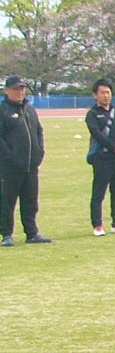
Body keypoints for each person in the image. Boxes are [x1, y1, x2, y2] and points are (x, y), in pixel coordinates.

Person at [0, 75, 50, 246]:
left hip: (31, 165)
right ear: (7, 91)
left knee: (30, 201)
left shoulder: (29, 109)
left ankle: (32, 233)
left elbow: (38, 132)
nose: (20, 92)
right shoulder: (3, 110)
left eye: (22, 88)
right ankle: (6, 234)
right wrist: (9, 157)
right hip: (10, 167)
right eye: (16, 89)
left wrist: (39, 152)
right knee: (7, 202)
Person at [85, 78, 115, 237]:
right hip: (102, 157)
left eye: (108, 92)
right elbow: (97, 134)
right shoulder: (92, 114)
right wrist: (113, 147)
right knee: (99, 192)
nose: (106, 95)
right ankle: (97, 225)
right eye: (102, 92)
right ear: (95, 95)